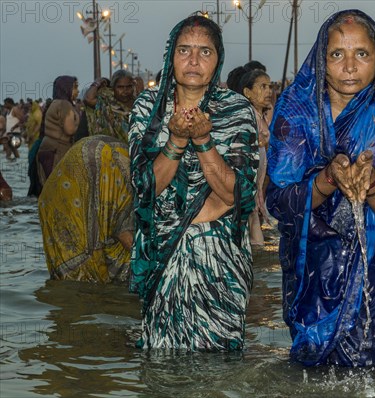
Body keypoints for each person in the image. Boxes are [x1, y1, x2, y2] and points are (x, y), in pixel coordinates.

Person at [266, 10, 375, 366]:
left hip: (372, 279)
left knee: (370, 373)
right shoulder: (295, 116)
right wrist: (327, 179)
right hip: (309, 275)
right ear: (322, 59)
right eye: (337, 54)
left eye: (361, 54)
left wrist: (373, 185)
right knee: (308, 375)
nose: (349, 66)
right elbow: (277, 201)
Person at [128, 13, 259, 350]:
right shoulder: (147, 109)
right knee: (163, 359)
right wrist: (174, 141)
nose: (193, 61)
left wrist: (203, 141)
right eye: (184, 50)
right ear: (171, 55)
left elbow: (237, 193)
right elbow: (144, 187)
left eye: (205, 52)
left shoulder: (236, 110)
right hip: (165, 255)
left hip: (219, 259)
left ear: (218, 60)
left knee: (219, 364)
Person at [38, 135, 133, 282]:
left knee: (68, 285)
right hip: (90, 171)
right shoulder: (131, 182)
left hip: (58, 188)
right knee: (89, 283)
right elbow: (127, 236)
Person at [228, 65, 273, 246]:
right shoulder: (246, 119)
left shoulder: (261, 118)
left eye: (270, 86)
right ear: (247, 92)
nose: (269, 91)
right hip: (244, 196)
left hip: (254, 197)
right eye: (262, 86)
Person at [35, 100, 80, 187]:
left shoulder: (54, 103)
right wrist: (77, 120)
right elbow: (70, 130)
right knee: (59, 189)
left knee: (48, 188)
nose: (77, 91)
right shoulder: (64, 105)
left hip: (47, 147)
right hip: (58, 150)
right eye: (75, 87)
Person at [83, 70, 135, 142]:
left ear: (133, 87)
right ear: (113, 88)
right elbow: (88, 99)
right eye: (120, 87)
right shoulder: (107, 104)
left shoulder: (140, 104)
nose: (125, 91)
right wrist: (98, 82)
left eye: (128, 87)